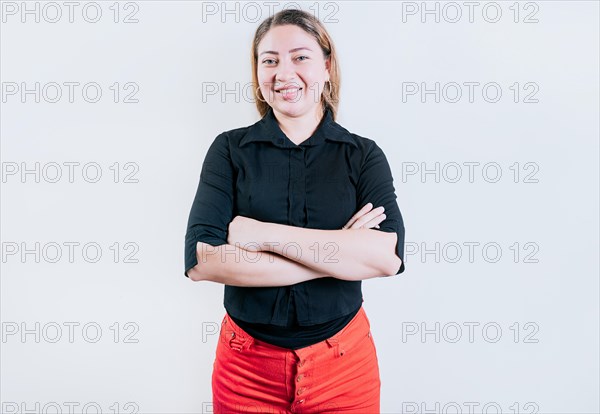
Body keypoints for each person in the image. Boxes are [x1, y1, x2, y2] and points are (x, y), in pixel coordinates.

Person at [184, 9, 405, 413]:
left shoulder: (363, 156)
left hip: (344, 367)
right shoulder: (228, 151)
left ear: (326, 65)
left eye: (300, 57)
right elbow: (203, 261)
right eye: (269, 60)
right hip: (245, 370)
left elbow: (386, 257)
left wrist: (260, 236)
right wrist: (342, 253)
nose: (283, 73)